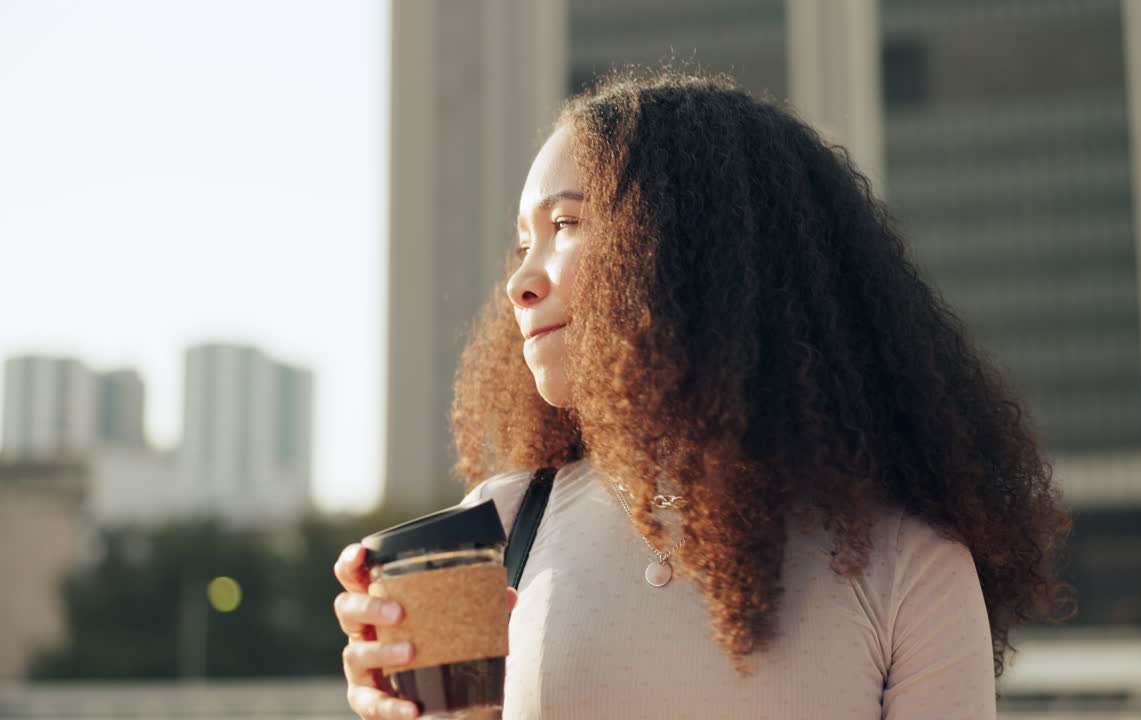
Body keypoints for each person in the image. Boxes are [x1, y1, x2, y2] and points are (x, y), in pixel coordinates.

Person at [334, 67, 1072, 719]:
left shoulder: (913, 562)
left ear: (697, 250)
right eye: (525, 241)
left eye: (565, 224)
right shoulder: (496, 528)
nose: (520, 282)